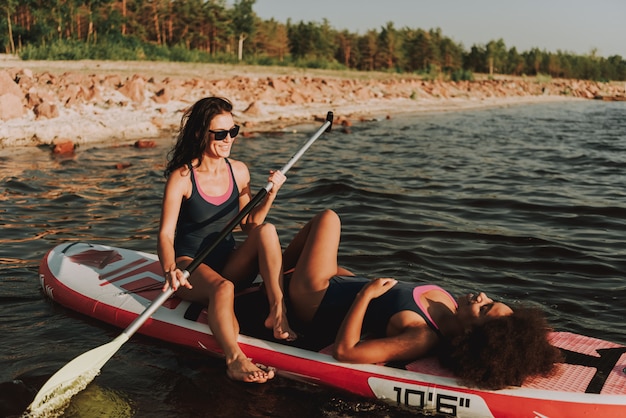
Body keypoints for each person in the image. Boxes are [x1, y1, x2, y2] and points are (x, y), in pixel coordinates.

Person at [281, 209, 563, 390]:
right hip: (337, 284)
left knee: (328, 218)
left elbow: (346, 352)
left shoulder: (422, 338)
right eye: (490, 299)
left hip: (314, 300)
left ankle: (275, 278)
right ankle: (274, 276)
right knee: (321, 247)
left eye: (484, 307)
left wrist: (364, 296)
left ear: (470, 333)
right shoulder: (450, 309)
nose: (481, 295)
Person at [157, 96, 296, 383]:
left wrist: (270, 194)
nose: (228, 139)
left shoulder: (239, 170)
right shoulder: (182, 176)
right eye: (220, 134)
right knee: (223, 288)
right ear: (200, 134)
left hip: (228, 261)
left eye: (233, 131)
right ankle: (234, 360)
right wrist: (170, 268)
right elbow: (166, 234)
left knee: (267, 230)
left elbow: (249, 224)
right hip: (189, 265)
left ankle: (277, 311)